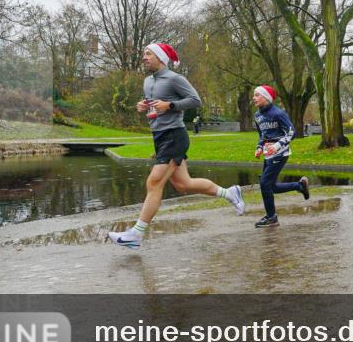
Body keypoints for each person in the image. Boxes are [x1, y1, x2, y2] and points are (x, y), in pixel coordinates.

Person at [108, 43, 245, 248]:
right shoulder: (147, 81)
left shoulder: (175, 79)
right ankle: (230, 193)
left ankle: (136, 234)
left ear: (161, 58)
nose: (144, 57)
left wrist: (171, 105)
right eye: (144, 54)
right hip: (159, 136)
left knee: (154, 182)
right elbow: (153, 104)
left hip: (175, 135)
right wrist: (143, 105)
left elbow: (195, 100)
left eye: (148, 54)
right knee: (184, 184)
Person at [252, 85, 309, 227]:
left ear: (266, 97)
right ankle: (300, 186)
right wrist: (259, 147)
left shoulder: (278, 113)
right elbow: (262, 135)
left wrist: (277, 146)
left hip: (281, 153)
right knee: (271, 187)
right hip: (268, 154)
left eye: (257, 95)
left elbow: (291, 133)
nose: (254, 98)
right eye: (254, 95)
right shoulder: (257, 116)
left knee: (264, 183)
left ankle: (271, 217)